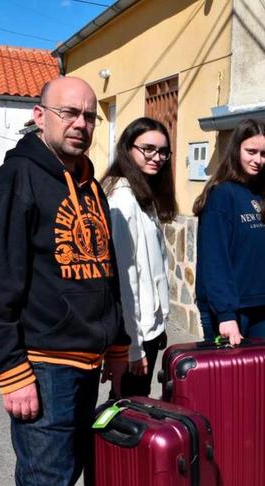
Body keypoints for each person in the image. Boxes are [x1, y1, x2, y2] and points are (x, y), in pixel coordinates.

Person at [0, 76, 129, 486]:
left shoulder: (93, 188)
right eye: (69, 113)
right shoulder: (15, 179)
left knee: (70, 478)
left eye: (89, 116)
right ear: (40, 117)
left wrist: (116, 345)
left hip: (87, 366)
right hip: (43, 370)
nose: (80, 124)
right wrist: (10, 371)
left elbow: (105, 273)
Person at [192, 118, 265, 486]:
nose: (258, 160)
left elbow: (262, 257)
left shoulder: (262, 194)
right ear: (235, 150)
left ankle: (257, 461)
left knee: (259, 393)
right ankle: (221, 471)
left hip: (257, 309)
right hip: (229, 312)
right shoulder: (222, 195)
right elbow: (214, 260)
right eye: (251, 151)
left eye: (264, 154)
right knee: (227, 395)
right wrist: (225, 316)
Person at [101, 117, 176, 397]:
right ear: (127, 148)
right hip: (137, 335)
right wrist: (131, 346)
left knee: (133, 405)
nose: (156, 157)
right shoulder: (122, 199)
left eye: (162, 152)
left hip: (149, 329)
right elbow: (124, 278)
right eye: (148, 149)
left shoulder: (142, 193)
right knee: (127, 410)